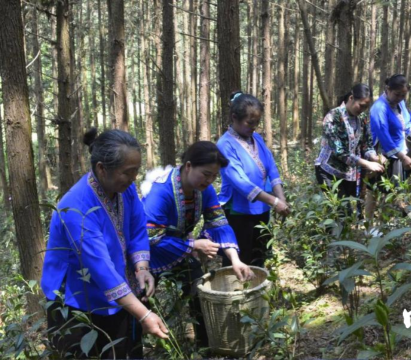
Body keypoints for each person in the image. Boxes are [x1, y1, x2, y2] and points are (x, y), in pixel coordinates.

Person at [42, 128, 168, 358]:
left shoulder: (124, 189)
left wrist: (141, 269)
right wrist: (145, 315)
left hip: (117, 294)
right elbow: (100, 269)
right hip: (75, 301)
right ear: (102, 168)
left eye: (136, 172)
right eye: (128, 172)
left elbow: (138, 227)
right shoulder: (77, 207)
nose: (133, 179)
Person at [141, 141, 255, 348]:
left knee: (198, 292)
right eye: (206, 174)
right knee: (143, 298)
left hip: (181, 248)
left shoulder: (205, 190)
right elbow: (151, 238)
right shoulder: (161, 192)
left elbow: (219, 223)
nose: (210, 180)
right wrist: (194, 245)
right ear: (188, 166)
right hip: (149, 253)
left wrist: (235, 259)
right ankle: (152, 345)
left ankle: (205, 346)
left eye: (214, 176)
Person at [217, 92, 290, 268]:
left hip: (262, 209)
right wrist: (274, 201)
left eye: (257, 123)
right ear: (234, 117)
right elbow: (240, 182)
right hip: (239, 212)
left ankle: (256, 291)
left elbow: (271, 168)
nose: (254, 127)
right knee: (239, 258)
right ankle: (235, 293)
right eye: (250, 123)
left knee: (259, 256)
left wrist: (281, 198)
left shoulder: (256, 138)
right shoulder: (224, 145)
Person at [315, 83, 385, 199]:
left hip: (350, 173)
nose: (362, 110)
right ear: (351, 98)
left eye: (365, 108)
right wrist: (367, 163)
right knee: (341, 212)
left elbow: (367, 144)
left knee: (353, 211)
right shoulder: (333, 117)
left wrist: (374, 157)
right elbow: (340, 152)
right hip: (329, 172)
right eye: (361, 106)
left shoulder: (362, 119)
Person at [369, 74, 411, 185]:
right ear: (388, 89)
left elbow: (406, 124)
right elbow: (384, 138)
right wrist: (402, 157)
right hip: (385, 156)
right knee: (384, 190)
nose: (400, 98)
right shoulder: (379, 109)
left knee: (398, 188)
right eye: (397, 94)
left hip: (400, 153)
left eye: (403, 95)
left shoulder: (399, 103)